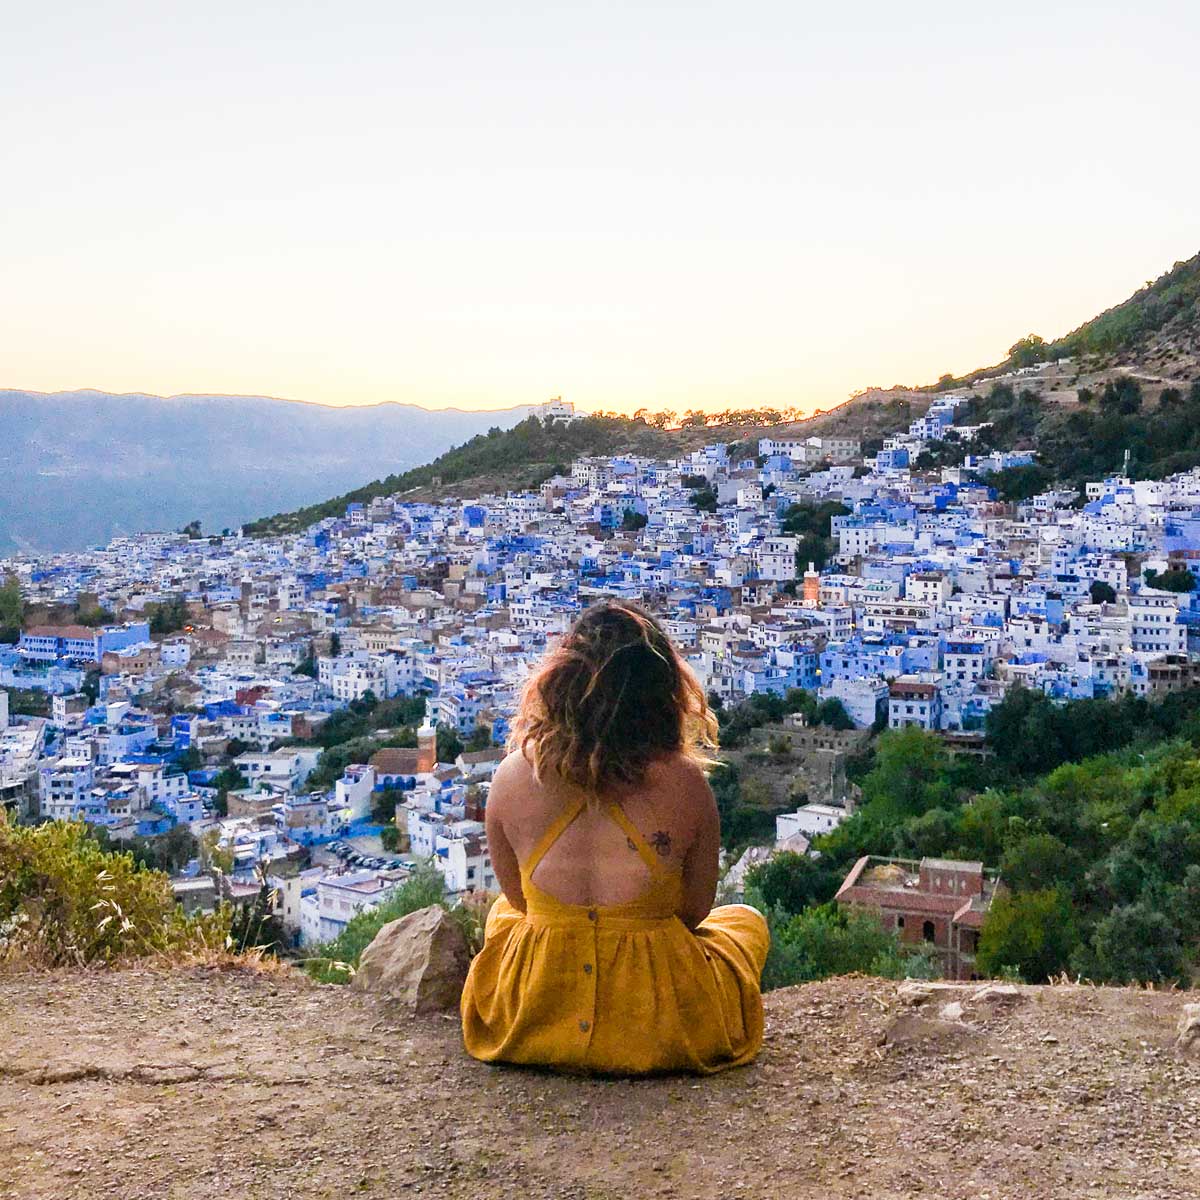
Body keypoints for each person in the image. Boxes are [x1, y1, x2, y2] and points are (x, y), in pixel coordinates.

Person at [460, 600, 769, 1075]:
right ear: (661, 693)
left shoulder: (512, 776)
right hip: (656, 1021)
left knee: (503, 917)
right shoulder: (685, 784)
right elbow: (693, 912)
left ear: (559, 683)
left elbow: (520, 901)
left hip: (534, 1013)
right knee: (744, 922)